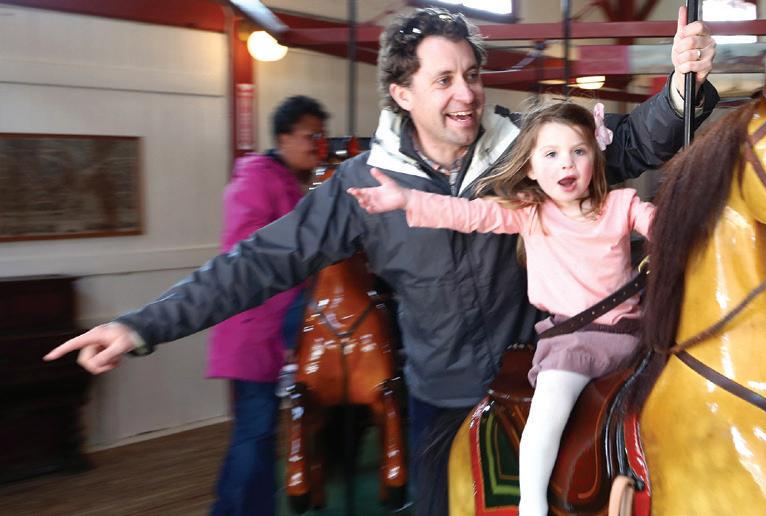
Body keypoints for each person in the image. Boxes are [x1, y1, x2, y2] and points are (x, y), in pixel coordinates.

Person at [44, 6, 718, 515]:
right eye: (444, 79)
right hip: (441, 395)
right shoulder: (364, 185)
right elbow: (259, 261)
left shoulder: (525, 148)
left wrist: (681, 91)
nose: (466, 94)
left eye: (472, 75)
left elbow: (629, 145)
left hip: (531, 373)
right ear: (402, 93)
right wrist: (141, 325)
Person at [349, 100, 647, 516]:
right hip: (573, 344)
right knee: (547, 413)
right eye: (551, 154)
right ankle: (532, 503)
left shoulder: (622, 205)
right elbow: (467, 214)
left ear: (595, 159)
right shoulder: (531, 215)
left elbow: (667, 227)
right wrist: (406, 200)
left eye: (579, 151)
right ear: (531, 169)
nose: (567, 163)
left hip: (635, 335)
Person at [208, 95, 326, 516]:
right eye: (311, 135)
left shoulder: (291, 182)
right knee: (255, 433)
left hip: (272, 326)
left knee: (258, 433)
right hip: (254, 328)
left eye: (321, 136)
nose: (318, 144)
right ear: (283, 137)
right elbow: (250, 251)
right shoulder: (256, 179)